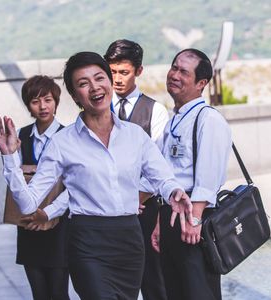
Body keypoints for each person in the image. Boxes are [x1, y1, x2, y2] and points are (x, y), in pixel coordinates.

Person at [0, 51, 194, 300]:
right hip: (87, 241)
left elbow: (163, 177)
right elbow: (27, 203)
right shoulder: (62, 142)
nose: (94, 87)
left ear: (109, 82)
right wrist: (11, 159)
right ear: (75, 95)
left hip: (129, 240)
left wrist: (174, 192)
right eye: (83, 83)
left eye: (99, 78)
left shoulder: (135, 136)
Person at [146, 49, 232, 300]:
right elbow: (165, 172)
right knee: (174, 291)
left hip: (195, 218)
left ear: (201, 83)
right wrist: (160, 224)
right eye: (174, 68)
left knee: (198, 291)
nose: (174, 75)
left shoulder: (208, 119)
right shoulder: (175, 119)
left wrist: (195, 219)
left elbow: (209, 173)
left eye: (184, 72)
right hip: (171, 215)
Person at [104, 39, 169, 300]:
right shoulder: (98, 109)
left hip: (145, 212)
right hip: (106, 212)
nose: (117, 79)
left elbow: (158, 166)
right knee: (115, 284)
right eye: (112, 72)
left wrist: (134, 198)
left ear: (139, 71)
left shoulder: (156, 111)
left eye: (124, 72)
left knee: (154, 283)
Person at [14, 75, 69, 300]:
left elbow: (74, 184)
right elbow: (15, 179)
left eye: (47, 99)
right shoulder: (22, 135)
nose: (43, 106)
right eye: (35, 101)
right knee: (39, 293)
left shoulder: (68, 135)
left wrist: (47, 214)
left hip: (59, 225)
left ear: (56, 101)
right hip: (29, 225)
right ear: (28, 105)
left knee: (58, 293)